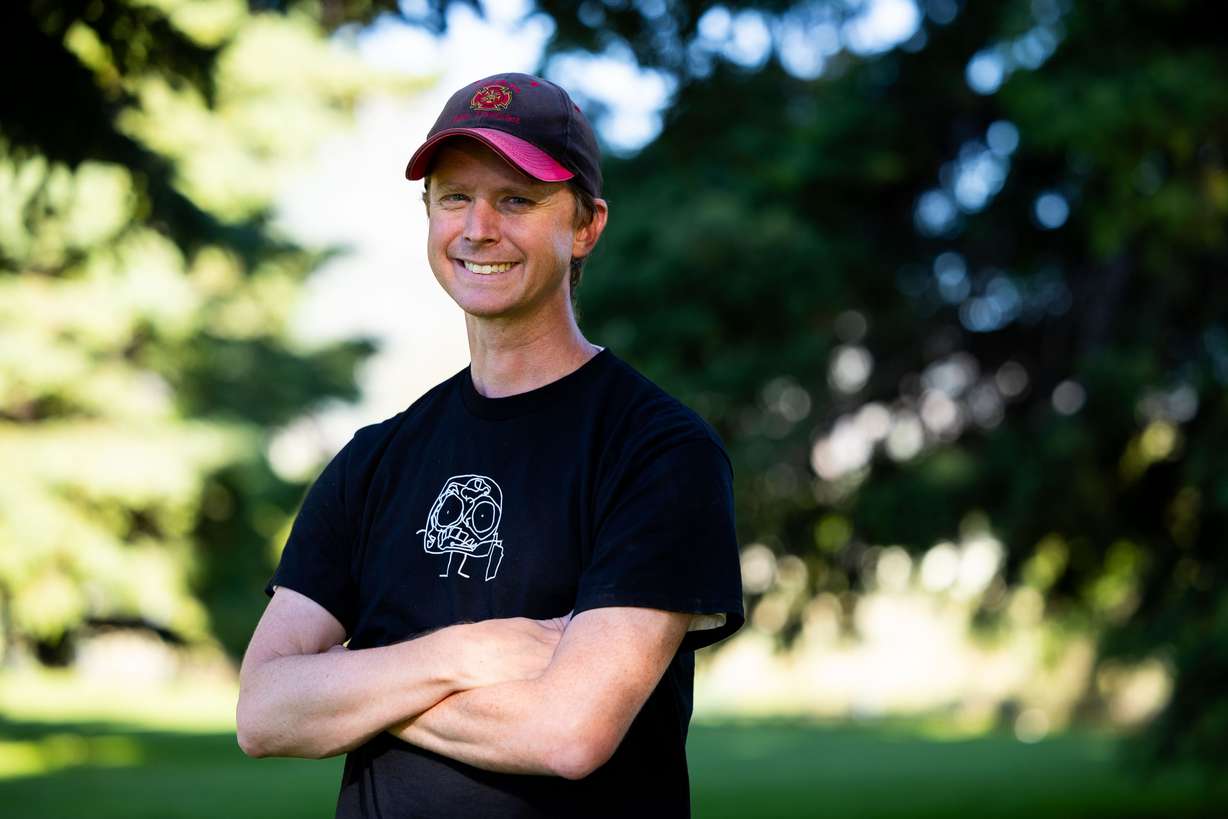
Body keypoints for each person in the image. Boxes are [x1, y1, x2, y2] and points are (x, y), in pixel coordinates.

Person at [235, 71, 744, 818]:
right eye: (454, 197)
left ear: (586, 225)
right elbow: (260, 711)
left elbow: (569, 731)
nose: (478, 228)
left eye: (516, 199)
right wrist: (461, 656)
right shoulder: (374, 459)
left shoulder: (659, 451)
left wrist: (352, 690)